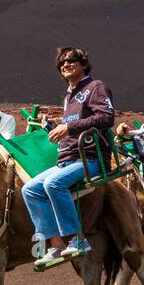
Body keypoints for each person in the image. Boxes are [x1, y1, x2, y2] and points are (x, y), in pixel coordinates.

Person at [22, 47, 114, 270]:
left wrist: (68, 127)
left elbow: (106, 117)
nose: (65, 65)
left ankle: (77, 240)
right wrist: (54, 127)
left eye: (71, 60)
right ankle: (55, 244)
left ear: (83, 64)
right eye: (61, 63)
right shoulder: (69, 96)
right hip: (66, 159)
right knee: (30, 189)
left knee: (53, 184)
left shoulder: (95, 87)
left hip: (90, 158)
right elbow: (72, 127)